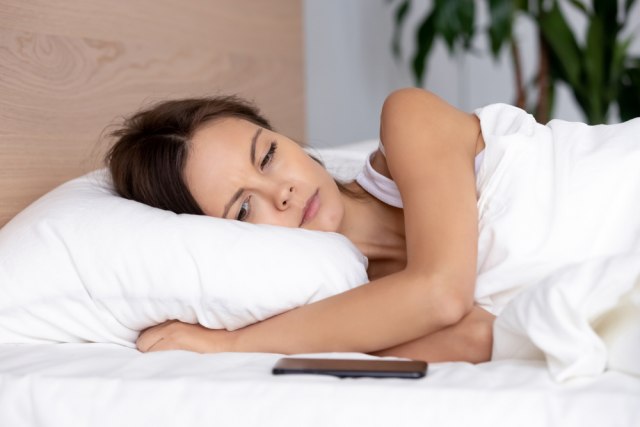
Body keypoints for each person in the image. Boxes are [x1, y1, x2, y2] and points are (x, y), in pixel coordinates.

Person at [106, 88, 496, 363]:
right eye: (244, 208)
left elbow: (441, 293)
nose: (282, 192)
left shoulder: (409, 117)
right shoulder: (348, 310)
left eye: (268, 156)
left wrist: (230, 345)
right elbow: (478, 337)